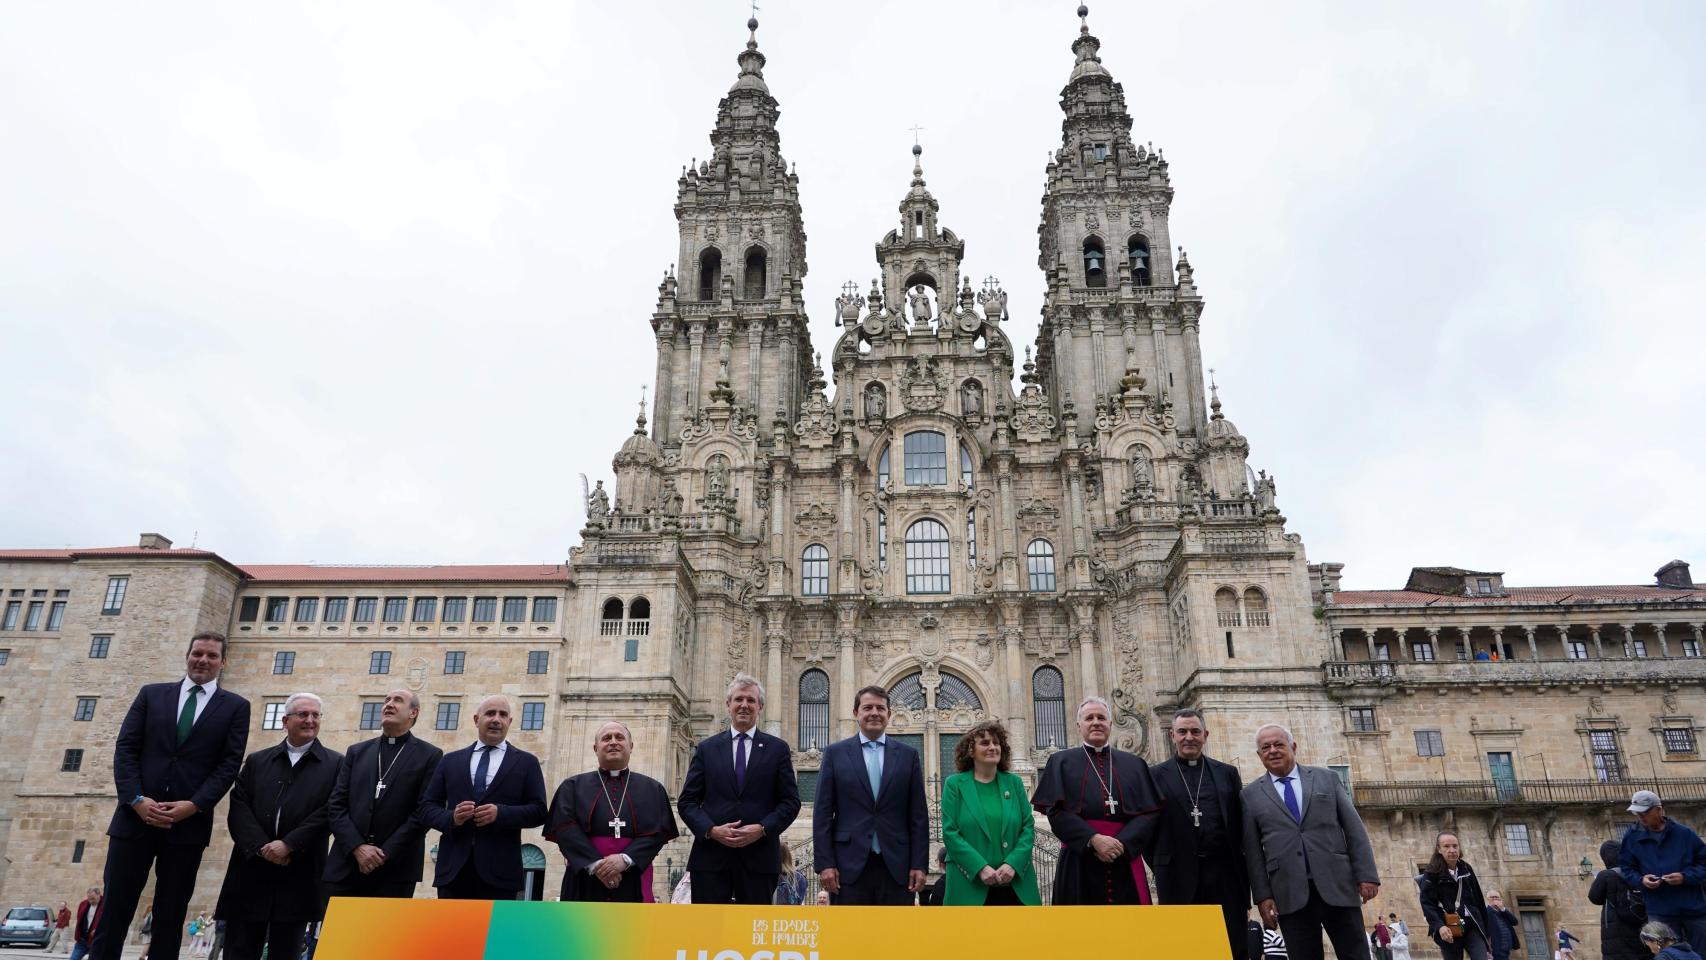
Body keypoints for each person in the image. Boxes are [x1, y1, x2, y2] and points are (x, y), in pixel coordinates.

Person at [91, 632, 250, 960]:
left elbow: (228, 764)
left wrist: (194, 805)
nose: (203, 660)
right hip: (133, 820)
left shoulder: (236, 707)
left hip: (186, 827)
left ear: (223, 662)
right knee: (114, 910)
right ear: (187, 655)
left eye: (211, 655)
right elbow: (126, 749)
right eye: (197, 653)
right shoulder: (152, 695)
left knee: (171, 914)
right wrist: (135, 799)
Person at [214, 692, 341, 960]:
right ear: (285, 721)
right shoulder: (258, 760)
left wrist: (289, 844)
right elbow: (239, 806)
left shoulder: (337, 764)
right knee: (240, 949)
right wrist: (262, 848)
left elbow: (331, 811)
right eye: (303, 714)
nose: (310, 720)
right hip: (251, 872)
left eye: (315, 715)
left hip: (299, 873)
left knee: (287, 950)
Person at [1240, 723, 1379, 960]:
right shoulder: (1250, 795)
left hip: (1338, 884)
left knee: (1355, 954)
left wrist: (1366, 874)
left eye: (1278, 744)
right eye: (1266, 747)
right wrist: (1263, 896)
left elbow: (1354, 829)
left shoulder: (1327, 779)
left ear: (1293, 746)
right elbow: (1253, 852)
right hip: (1289, 892)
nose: (1273, 750)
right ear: (1259, 755)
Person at [678, 674, 801, 904]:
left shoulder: (778, 750)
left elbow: (790, 802)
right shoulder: (707, 749)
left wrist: (763, 828)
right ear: (728, 705)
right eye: (739, 699)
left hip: (760, 859)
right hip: (711, 859)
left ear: (760, 706)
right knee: (709, 933)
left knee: (752, 934)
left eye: (751, 701)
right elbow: (687, 802)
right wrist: (712, 830)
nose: (744, 705)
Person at [1030, 695, 1164, 904]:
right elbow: (1055, 811)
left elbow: (1150, 812)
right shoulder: (1061, 761)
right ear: (1079, 725)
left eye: (1101, 718)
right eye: (1089, 718)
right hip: (1079, 858)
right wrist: (1093, 839)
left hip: (1124, 857)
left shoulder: (1135, 764)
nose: (1095, 722)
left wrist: (1123, 843)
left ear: (1110, 723)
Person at [419, 694, 548, 899]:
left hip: (501, 872)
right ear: (476, 719)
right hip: (453, 871)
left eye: (503, 715)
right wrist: (452, 818)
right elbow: (426, 808)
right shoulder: (450, 761)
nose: (496, 719)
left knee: (495, 931)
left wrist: (501, 813)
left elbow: (539, 811)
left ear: (510, 722)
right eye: (490, 713)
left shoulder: (527, 762)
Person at [811, 685, 928, 905]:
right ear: (856, 713)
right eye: (867, 707)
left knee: (894, 935)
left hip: (897, 865)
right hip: (847, 867)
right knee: (849, 936)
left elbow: (918, 816)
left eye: (880, 708)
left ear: (889, 714)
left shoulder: (908, 755)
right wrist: (825, 863)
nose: (874, 712)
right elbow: (823, 813)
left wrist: (919, 865)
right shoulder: (835, 754)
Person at [324, 689, 445, 900]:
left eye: (398, 701)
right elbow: (336, 804)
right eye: (386, 700)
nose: (388, 704)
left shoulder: (430, 755)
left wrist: (384, 853)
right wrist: (357, 847)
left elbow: (423, 811)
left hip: (395, 868)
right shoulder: (356, 752)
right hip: (347, 863)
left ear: (413, 713)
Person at [1152, 709, 1250, 958]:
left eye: (1195, 731)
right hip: (1177, 877)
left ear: (1205, 735)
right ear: (1172, 735)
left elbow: (1241, 827)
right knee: (1183, 949)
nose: (1189, 737)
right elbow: (1149, 830)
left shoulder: (1227, 773)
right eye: (1182, 732)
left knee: (1232, 946)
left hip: (1226, 876)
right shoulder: (1154, 775)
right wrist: (1162, 865)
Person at [546, 720, 679, 902]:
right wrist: (596, 864)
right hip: (584, 878)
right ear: (595, 748)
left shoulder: (652, 789)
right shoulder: (572, 787)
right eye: (606, 738)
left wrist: (625, 859)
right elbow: (563, 829)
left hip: (633, 876)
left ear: (631, 746)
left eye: (620, 737)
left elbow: (659, 832)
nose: (613, 742)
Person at [939, 721, 1040, 906]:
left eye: (996, 743)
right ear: (971, 751)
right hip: (968, 885)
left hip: (1015, 882)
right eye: (985, 743)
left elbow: (1028, 827)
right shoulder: (954, 785)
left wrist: (1013, 864)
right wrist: (979, 867)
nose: (992, 747)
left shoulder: (1014, 783)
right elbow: (950, 832)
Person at [1622, 790, 1706, 954]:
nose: (1640, 817)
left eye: (1645, 812)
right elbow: (1627, 868)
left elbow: (1704, 863)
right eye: (1636, 813)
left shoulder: (1684, 834)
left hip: (1693, 908)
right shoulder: (1631, 837)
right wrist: (1641, 880)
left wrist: (1685, 877)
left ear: (1658, 810)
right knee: (1668, 956)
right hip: (1660, 910)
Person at [1417, 831, 1490, 960]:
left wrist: (1486, 929)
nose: (1452, 850)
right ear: (1439, 849)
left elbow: (1478, 899)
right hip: (1448, 927)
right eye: (1446, 846)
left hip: (1472, 925)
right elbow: (1427, 904)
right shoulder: (1431, 873)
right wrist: (1439, 926)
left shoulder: (1466, 868)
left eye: (1455, 846)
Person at [1591, 839, 1650, 960]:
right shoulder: (1638, 874)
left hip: (1616, 935)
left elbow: (1594, 898)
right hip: (1641, 929)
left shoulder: (1606, 875)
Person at [1484, 890, 1523, 960]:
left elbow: (1515, 922)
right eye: (1492, 897)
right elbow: (1485, 933)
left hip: (1507, 950)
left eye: (1497, 897)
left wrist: (1503, 908)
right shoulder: (1486, 913)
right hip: (1496, 950)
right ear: (1488, 899)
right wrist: (1487, 951)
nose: (1495, 899)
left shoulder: (1503, 912)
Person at [69, 887, 101, 960]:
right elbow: (79, 919)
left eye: (93, 898)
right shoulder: (83, 904)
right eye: (89, 899)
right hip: (82, 940)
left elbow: (107, 922)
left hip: (96, 941)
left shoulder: (105, 905)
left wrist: (98, 929)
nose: (91, 901)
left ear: (99, 894)